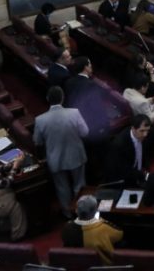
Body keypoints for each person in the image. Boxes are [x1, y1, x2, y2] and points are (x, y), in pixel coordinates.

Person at [34, 86, 89, 218]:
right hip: (76, 155)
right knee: (79, 185)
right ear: (62, 98)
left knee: (62, 188)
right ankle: (82, 212)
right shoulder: (74, 113)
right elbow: (85, 132)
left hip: (55, 159)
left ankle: (67, 214)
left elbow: (37, 141)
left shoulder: (40, 120)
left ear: (47, 99)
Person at [61, 195, 124, 264]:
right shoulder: (103, 227)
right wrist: (101, 220)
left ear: (76, 211)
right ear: (95, 211)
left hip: (75, 265)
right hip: (102, 266)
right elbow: (119, 234)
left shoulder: (67, 227)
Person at [105, 114, 154, 186]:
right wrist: (145, 175)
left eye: (147, 130)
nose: (145, 134)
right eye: (142, 131)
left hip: (137, 174)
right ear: (133, 129)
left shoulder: (144, 133)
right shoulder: (119, 145)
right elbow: (124, 170)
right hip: (121, 181)